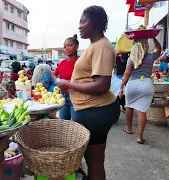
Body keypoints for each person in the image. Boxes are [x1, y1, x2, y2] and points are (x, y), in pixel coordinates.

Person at [56, 6, 120, 180]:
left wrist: (69, 84)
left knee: (95, 161)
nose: (80, 26)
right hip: (91, 108)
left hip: (97, 109)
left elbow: (101, 85)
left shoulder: (102, 47)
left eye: (83, 21)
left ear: (96, 23)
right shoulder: (95, 46)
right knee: (92, 160)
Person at [119, 38, 162, 144]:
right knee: (141, 111)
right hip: (146, 84)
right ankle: (139, 137)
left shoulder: (131, 59)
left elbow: (127, 74)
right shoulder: (151, 57)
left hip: (132, 84)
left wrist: (121, 87)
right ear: (146, 46)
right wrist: (153, 37)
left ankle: (129, 128)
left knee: (129, 106)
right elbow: (159, 49)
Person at [52, 34, 79, 121]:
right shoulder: (63, 62)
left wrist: (70, 83)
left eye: (70, 45)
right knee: (63, 123)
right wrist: (58, 80)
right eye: (65, 46)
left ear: (77, 47)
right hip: (63, 97)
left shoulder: (81, 61)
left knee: (76, 124)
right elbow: (54, 74)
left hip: (76, 96)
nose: (67, 48)